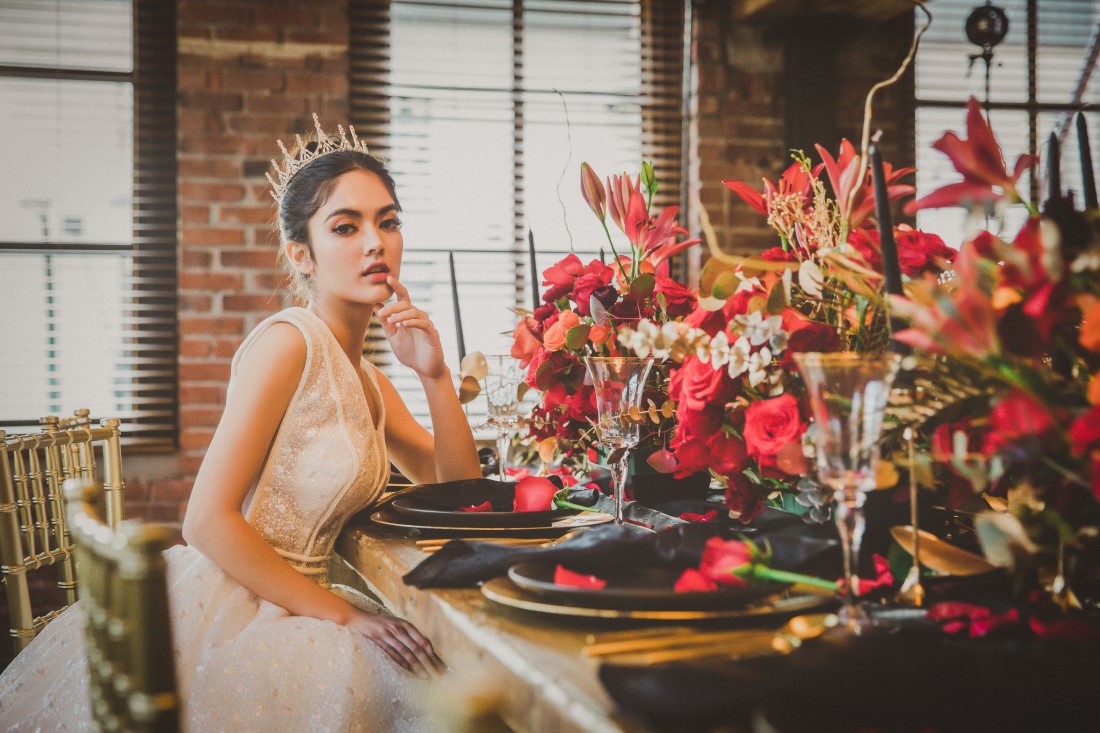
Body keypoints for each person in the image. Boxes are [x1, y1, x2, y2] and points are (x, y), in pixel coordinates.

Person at [0, 116, 482, 732]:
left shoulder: (364, 374)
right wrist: (343, 616)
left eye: (388, 221)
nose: (375, 243)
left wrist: (435, 377)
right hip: (244, 603)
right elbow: (204, 520)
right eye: (346, 226)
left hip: (299, 602)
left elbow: (459, 496)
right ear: (300, 254)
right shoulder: (289, 343)